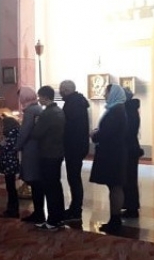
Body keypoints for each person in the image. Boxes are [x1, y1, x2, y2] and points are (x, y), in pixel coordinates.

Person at [90, 84, 128, 233]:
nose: (104, 96)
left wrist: (95, 135)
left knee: (115, 186)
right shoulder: (117, 109)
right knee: (114, 186)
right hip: (115, 152)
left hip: (113, 154)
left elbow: (107, 133)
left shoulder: (115, 111)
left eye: (106, 93)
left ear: (113, 94)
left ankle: (115, 219)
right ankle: (115, 218)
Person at [31, 85, 66, 230]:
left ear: (45, 97)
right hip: (57, 153)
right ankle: (59, 217)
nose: (38, 100)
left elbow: (36, 133)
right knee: (56, 186)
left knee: (49, 187)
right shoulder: (59, 111)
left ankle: (52, 220)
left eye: (40, 97)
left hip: (47, 153)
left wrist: (34, 124)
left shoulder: (47, 114)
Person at [59, 80, 90, 222]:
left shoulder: (73, 104)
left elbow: (70, 127)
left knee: (74, 178)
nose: (59, 92)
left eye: (61, 90)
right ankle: (74, 208)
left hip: (74, 146)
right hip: (78, 145)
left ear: (66, 90)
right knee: (74, 178)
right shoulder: (78, 101)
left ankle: (76, 210)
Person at [17, 87, 44, 224]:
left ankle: (38, 213)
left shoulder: (30, 111)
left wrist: (16, 146)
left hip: (31, 150)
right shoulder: (39, 109)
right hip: (40, 149)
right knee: (38, 182)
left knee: (34, 182)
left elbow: (25, 131)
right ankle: (39, 212)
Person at [122, 88, 143, 218]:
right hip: (130, 148)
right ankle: (129, 205)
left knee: (129, 179)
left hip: (129, 149)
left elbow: (126, 131)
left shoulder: (128, 110)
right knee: (128, 178)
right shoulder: (131, 108)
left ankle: (132, 207)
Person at [0, 117, 20, 218]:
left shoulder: (11, 134)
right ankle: (12, 209)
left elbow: (7, 147)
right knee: (10, 187)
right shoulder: (15, 132)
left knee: (10, 187)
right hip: (11, 162)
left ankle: (12, 210)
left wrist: (1, 143)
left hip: (9, 162)